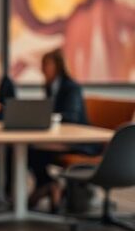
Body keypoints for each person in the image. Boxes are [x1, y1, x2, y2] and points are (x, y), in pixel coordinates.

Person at [27, 48, 96, 210]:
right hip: (60, 140)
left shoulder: (72, 87)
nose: (42, 68)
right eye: (42, 64)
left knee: (34, 151)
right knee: (29, 150)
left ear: (57, 65)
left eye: (46, 64)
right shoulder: (50, 87)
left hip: (81, 142)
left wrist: (49, 117)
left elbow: (71, 116)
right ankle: (48, 184)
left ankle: (46, 186)